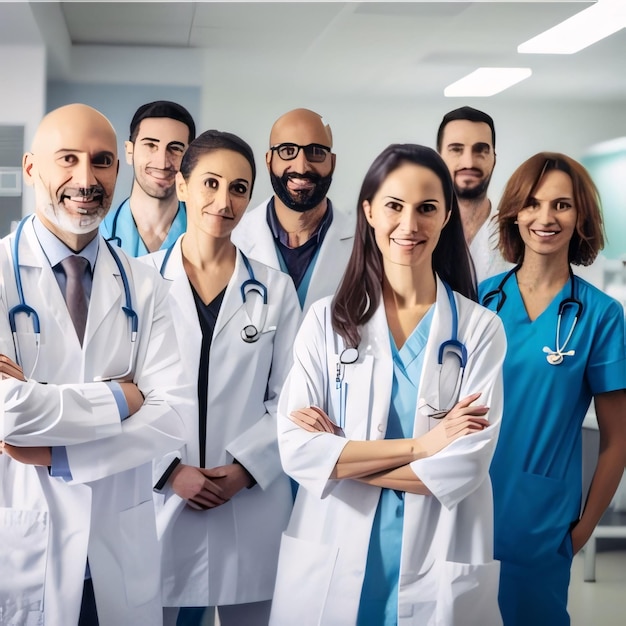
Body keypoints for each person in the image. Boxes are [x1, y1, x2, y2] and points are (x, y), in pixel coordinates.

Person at [271, 144, 506, 626]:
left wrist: (338, 458)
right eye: (395, 206)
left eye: (427, 208)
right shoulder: (326, 322)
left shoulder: (479, 330)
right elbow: (296, 451)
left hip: (437, 552)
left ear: (445, 218)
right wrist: (423, 447)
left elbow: (463, 469)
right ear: (369, 211)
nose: (409, 224)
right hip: (334, 552)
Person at [0, 103, 191, 625]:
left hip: (116, 547)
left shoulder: (145, 285)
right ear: (32, 167)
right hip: (24, 543)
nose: (85, 179)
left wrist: (60, 455)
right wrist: (123, 399)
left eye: (101, 161)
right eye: (68, 159)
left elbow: (173, 416)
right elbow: (6, 414)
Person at [144, 130, 300, 626]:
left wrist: (245, 469)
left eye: (239, 188)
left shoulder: (275, 289)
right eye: (210, 183)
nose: (224, 200)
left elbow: (294, 399)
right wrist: (169, 472)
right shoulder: (138, 281)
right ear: (182, 186)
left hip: (249, 502)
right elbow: (124, 397)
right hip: (160, 497)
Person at [479, 152, 626, 626]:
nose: (546, 218)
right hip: (463, 510)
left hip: (541, 524)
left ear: (580, 215)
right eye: (533, 203)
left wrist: (582, 530)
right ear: (515, 212)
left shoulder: (601, 316)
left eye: (562, 205)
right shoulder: (479, 300)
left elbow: (617, 439)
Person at [231, 107, 353, 312]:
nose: (301, 167)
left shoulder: (363, 243)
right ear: (269, 161)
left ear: (332, 163)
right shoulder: (233, 238)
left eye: (315, 152)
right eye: (287, 151)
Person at [100, 100, 196, 255]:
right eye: (151, 145)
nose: (162, 162)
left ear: (190, 159)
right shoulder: (97, 235)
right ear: (129, 152)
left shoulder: (205, 234)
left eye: (175, 149)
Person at [437, 105, 510, 281]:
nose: (468, 162)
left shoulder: (516, 235)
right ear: (438, 158)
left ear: (494, 159)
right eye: (456, 149)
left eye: (480, 150)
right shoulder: (419, 232)